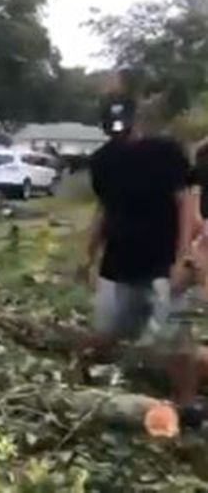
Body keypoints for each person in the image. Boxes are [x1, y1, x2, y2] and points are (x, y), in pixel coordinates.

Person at [81, 72, 197, 407]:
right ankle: (88, 387)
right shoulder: (102, 161)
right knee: (106, 332)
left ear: (134, 121)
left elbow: (184, 204)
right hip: (119, 263)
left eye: (123, 124)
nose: (119, 132)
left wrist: (182, 259)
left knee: (178, 339)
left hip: (163, 262)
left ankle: (187, 404)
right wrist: (87, 255)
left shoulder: (166, 152)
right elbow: (104, 210)